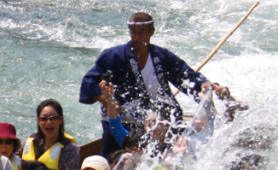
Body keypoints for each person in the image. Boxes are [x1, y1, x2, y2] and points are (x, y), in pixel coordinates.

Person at [80, 12, 236, 157]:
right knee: (109, 160)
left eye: (141, 32)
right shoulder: (113, 56)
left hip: (158, 124)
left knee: (180, 148)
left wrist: (210, 86)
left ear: (151, 31)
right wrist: (107, 102)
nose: (137, 36)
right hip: (122, 123)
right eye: (133, 32)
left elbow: (187, 76)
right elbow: (88, 83)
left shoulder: (162, 56)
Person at [19, 99, 81, 170]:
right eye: (44, 119)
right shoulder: (28, 142)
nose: (49, 122)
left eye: (54, 118)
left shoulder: (70, 149)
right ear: (38, 121)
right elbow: (13, 161)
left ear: (61, 120)